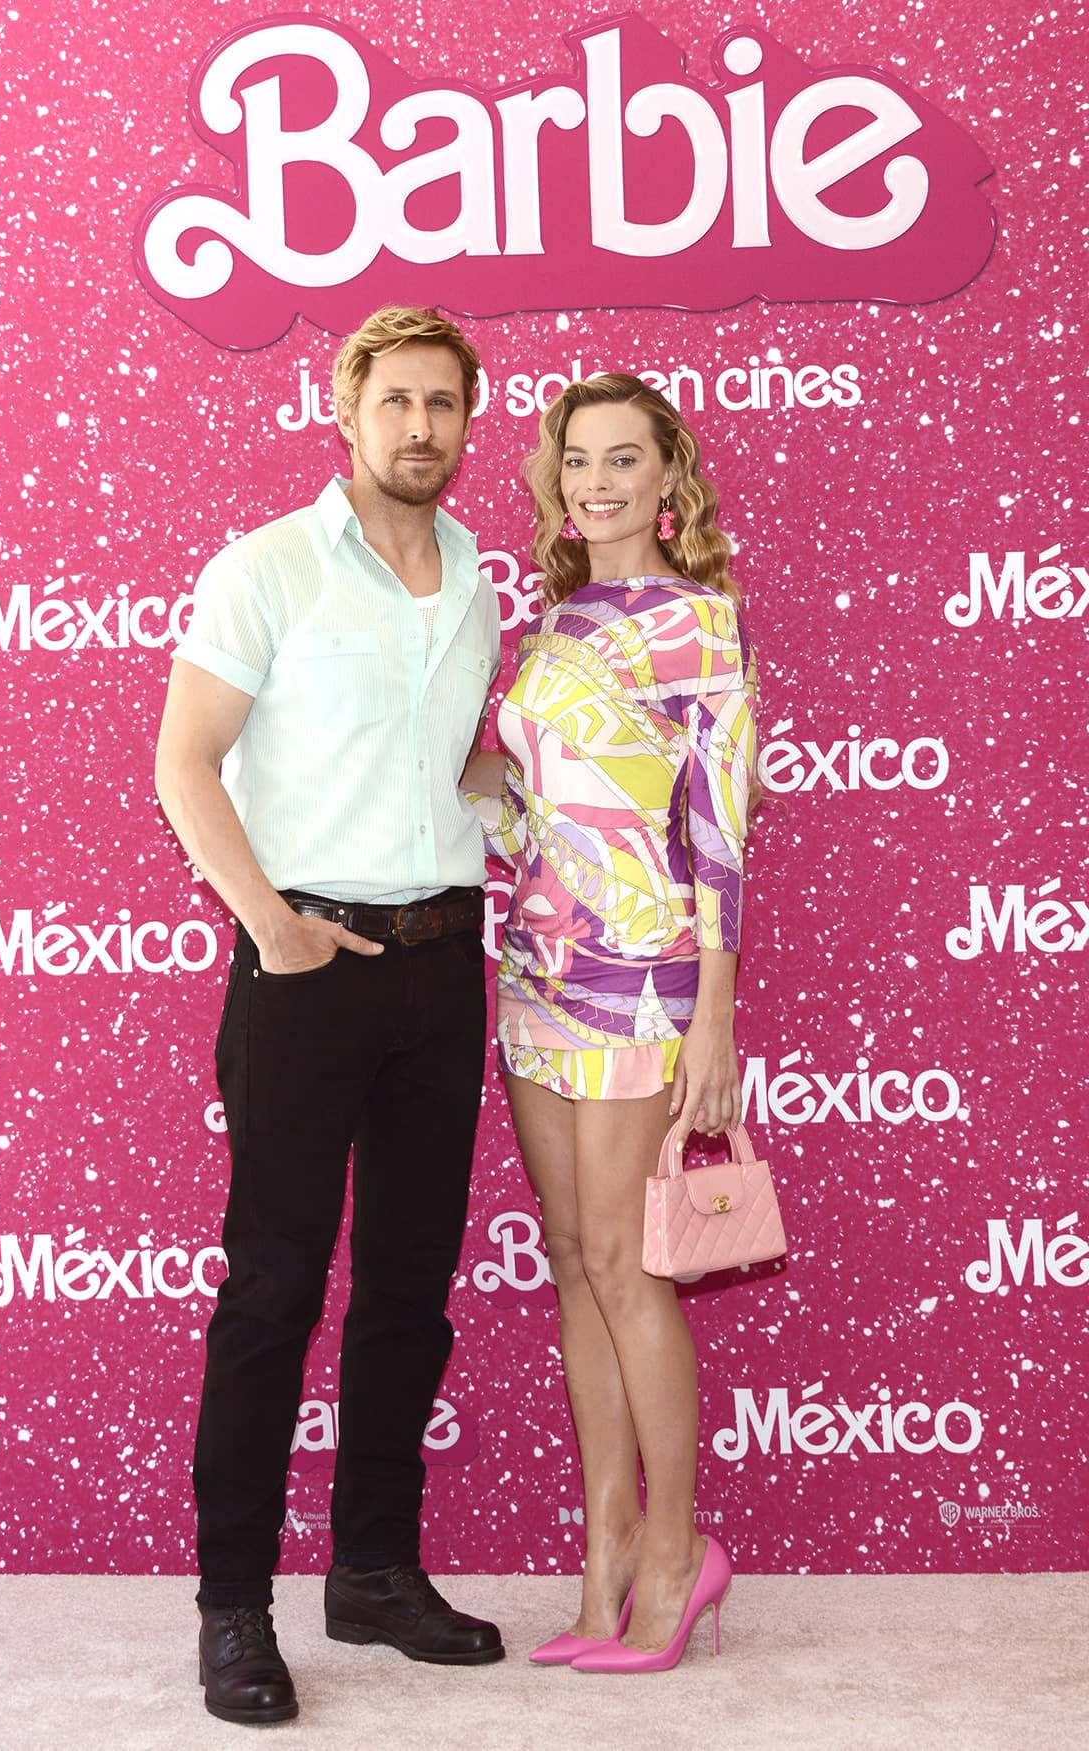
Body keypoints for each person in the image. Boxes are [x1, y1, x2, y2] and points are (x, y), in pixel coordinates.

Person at [155, 306, 505, 1727]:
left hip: (445, 965)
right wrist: (274, 928)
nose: (421, 427)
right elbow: (185, 764)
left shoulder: (477, 577)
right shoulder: (269, 566)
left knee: (410, 1291)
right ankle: (234, 1606)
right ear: (346, 412)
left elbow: (451, 761)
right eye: (396, 401)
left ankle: (372, 1572)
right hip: (305, 968)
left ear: (468, 421)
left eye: (444, 404)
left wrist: (532, 787)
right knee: (274, 1292)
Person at [462, 374, 757, 1674]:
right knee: (578, 1258)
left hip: (644, 975)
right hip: (535, 966)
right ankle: (608, 1554)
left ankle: (678, 1554)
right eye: (577, 460)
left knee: (631, 1269)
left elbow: (718, 834)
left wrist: (714, 1021)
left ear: (667, 478)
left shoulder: (699, 625)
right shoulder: (555, 624)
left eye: (622, 458)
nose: (595, 482)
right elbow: (530, 811)